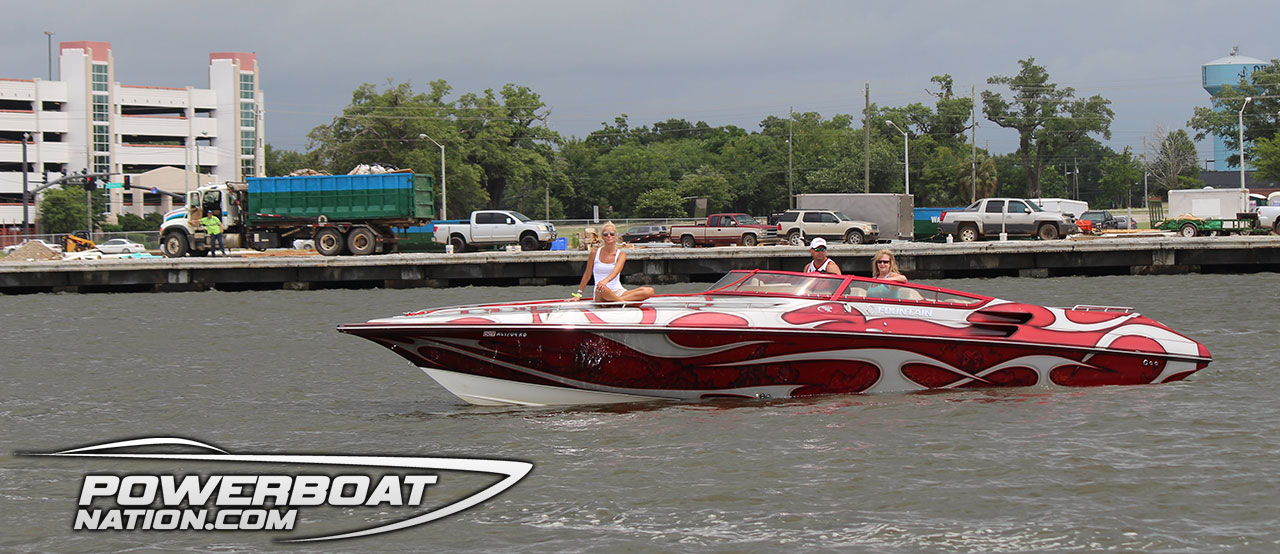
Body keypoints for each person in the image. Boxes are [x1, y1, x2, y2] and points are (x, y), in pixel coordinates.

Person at [573, 222, 655, 302]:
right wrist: (578, 294)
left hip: (618, 291)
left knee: (649, 291)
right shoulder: (594, 252)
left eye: (612, 234)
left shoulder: (621, 255)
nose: (609, 236)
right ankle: (622, 301)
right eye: (605, 234)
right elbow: (587, 274)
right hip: (601, 291)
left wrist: (606, 280)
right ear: (602, 236)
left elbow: (615, 272)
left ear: (616, 236)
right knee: (602, 288)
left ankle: (617, 300)